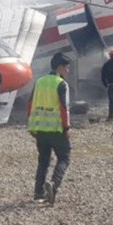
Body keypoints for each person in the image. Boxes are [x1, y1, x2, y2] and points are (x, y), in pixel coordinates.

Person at [28, 52, 72, 205]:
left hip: (40, 128)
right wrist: (67, 127)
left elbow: (30, 104)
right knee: (64, 157)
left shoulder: (39, 82)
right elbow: (63, 107)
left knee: (43, 161)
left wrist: (31, 125)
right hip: (57, 129)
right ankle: (54, 184)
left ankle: (38, 192)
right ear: (60, 67)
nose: (68, 71)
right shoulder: (61, 84)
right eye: (67, 67)